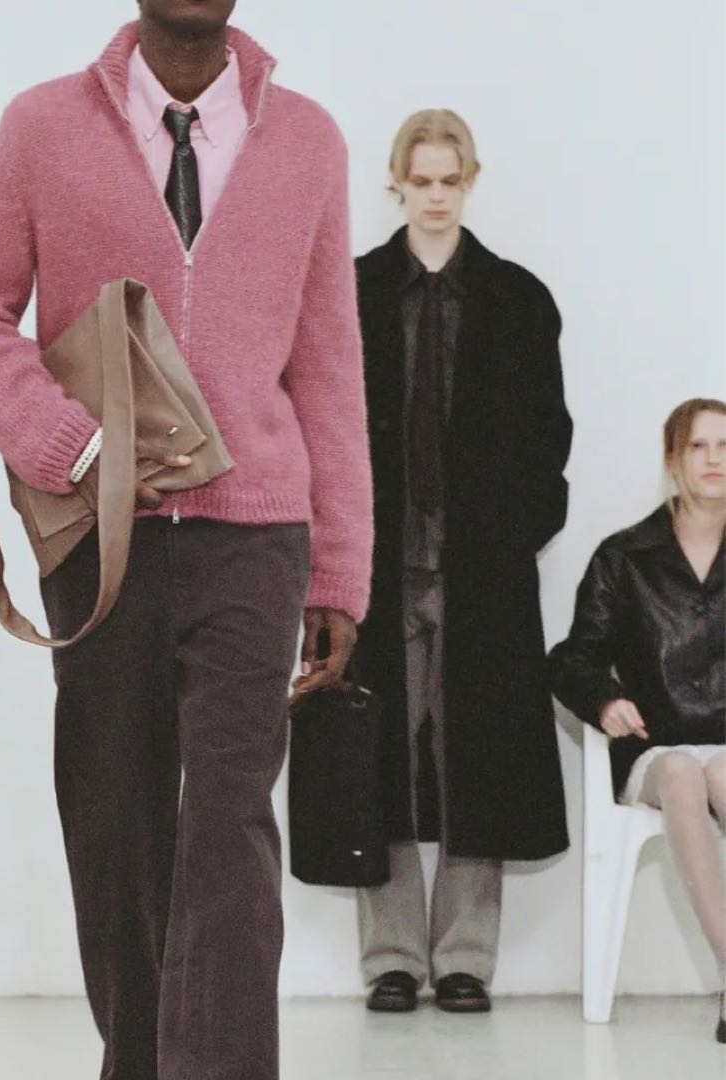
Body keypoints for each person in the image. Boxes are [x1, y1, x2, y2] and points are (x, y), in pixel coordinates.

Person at [0, 2, 372, 1076]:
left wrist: (340, 568)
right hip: (100, 541)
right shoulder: (39, 126)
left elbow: (327, 362)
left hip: (255, 533)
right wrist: (73, 447)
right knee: (116, 825)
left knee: (227, 826)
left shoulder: (307, 139)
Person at [350, 109, 572, 1014]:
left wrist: (516, 533)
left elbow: (548, 436)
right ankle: (392, 958)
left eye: (450, 180)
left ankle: (465, 960)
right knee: (375, 754)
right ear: (395, 181)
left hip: (482, 568)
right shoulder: (352, 291)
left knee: (476, 750)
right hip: (375, 564)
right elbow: (316, 421)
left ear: (470, 181)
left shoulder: (517, 297)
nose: (435, 196)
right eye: (421, 180)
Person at [550, 398, 726, 1043]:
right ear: (673, 460)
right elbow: (573, 657)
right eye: (699, 446)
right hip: (657, 750)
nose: (714, 460)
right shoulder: (625, 556)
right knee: (682, 772)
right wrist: (605, 701)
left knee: (723, 773)